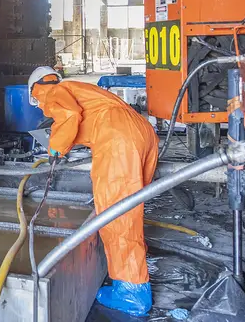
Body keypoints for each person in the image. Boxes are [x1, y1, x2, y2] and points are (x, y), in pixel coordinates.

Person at [27, 66, 158, 316]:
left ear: (34, 90)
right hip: (142, 132)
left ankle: (132, 293)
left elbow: (69, 115)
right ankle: (132, 269)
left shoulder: (51, 91)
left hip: (118, 140)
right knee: (130, 211)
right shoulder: (79, 89)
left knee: (116, 216)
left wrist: (56, 147)